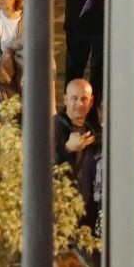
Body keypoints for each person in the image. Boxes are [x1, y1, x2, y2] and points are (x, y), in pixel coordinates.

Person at [55, 78, 101, 231]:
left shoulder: (92, 133)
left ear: (91, 102)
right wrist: (66, 148)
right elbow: (37, 165)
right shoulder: (53, 126)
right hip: (60, 213)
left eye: (84, 99)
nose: (79, 104)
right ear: (65, 99)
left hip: (87, 213)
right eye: (74, 98)